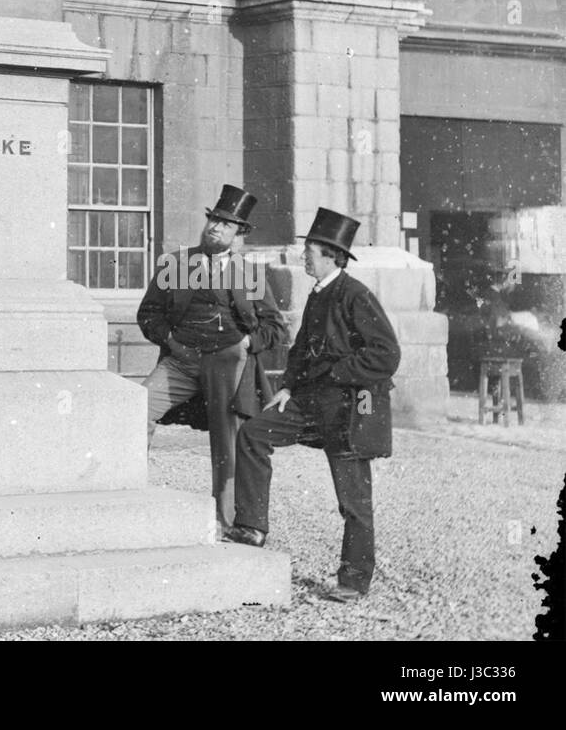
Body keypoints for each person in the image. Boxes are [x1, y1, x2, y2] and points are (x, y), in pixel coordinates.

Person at [225, 208, 402, 604]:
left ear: (330, 257)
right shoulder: (319, 293)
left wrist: (339, 372)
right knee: (254, 434)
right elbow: (303, 349)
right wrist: (287, 387)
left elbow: (387, 354)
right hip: (308, 403)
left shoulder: (356, 295)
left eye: (310, 251)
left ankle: (354, 582)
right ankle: (252, 527)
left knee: (353, 500)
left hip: (348, 410)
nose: (304, 256)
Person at [137, 185, 288, 530]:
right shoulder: (176, 263)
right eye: (213, 221)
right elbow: (149, 314)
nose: (215, 229)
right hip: (180, 361)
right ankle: (131, 500)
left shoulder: (249, 273)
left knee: (228, 442)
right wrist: (172, 342)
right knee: (137, 410)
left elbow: (275, 328)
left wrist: (247, 345)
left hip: (228, 365)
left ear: (237, 235)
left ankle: (227, 520)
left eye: (225, 225)